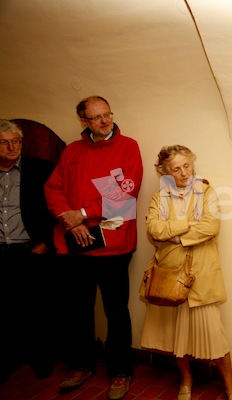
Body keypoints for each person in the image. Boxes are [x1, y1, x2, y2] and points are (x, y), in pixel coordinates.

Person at [44, 96, 143, 399]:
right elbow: (53, 188)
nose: (104, 121)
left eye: (107, 114)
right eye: (96, 117)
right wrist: (71, 222)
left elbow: (127, 192)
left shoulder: (129, 147)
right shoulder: (73, 151)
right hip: (76, 241)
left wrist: (84, 214)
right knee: (79, 309)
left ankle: (121, 372)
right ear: (84, 122)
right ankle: (82, 365)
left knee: (115, 312)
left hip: (113, 245)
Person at [140, 145, 232, 400]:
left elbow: (210, 227)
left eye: (187, 166)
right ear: (165, 172)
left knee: (214, 336)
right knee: (177, 336)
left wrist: (174, 238)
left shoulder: (207, 192)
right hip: (170, 275)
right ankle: (186, 379)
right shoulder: (158, 198)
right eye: (176, 169)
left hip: (202, 274)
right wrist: (185, 224)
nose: (184, 173)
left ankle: (230, 385)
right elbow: (154, 229)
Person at [0, 120, 58, 383]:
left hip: (31, 251)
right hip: (2, 252)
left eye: (16, 141)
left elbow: (56, 207)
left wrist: (46, 241)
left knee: (39, 309)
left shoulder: (41, 169)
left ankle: (42, 360)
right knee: (6, 310)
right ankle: (10, 358)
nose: (12, 147)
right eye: (4, 142)